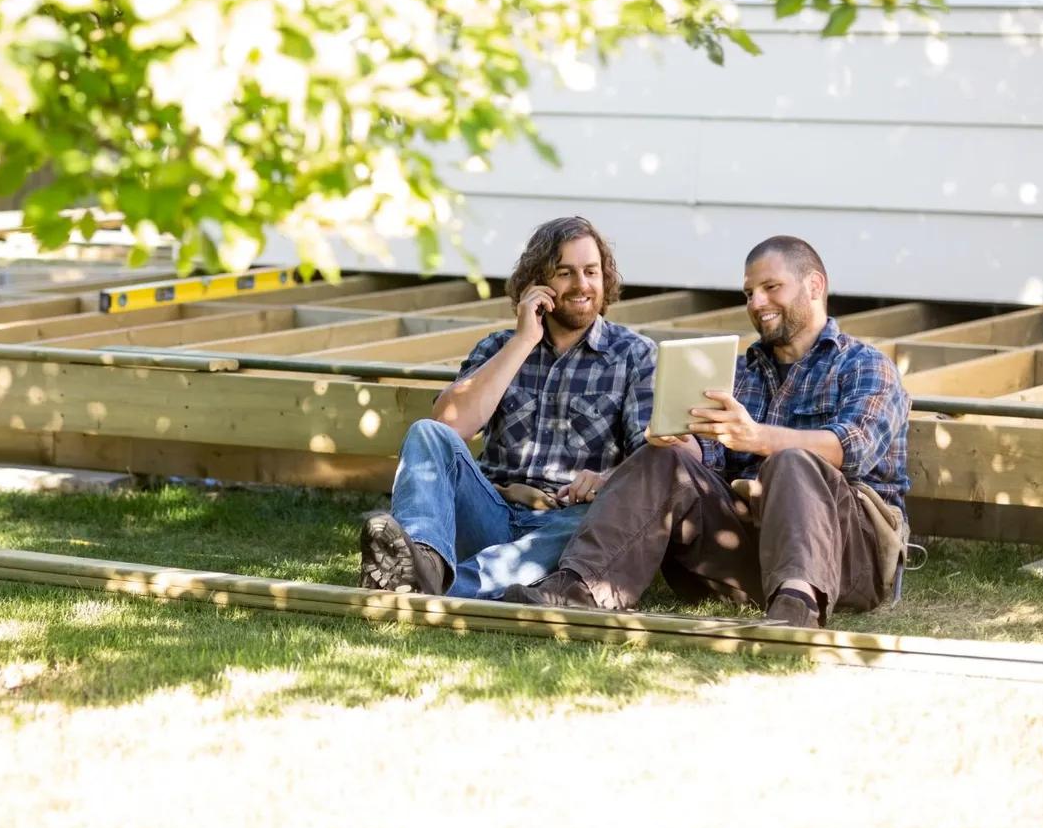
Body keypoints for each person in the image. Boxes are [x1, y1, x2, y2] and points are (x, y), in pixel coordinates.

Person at [504, 235, 911, 628]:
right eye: (749, 293)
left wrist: (759, 438)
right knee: (663, 456)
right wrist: (676, 441)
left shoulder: (864, 365)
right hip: (753, 551)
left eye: (771, 287)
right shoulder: (738, 372)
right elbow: (707, 456)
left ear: (814, 285)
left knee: (790, 461)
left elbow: (852, 447)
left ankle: (797, 606)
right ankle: (580, 589)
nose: (757, 303)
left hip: (846, 556)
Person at [357, 216, 655, 599]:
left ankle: (429, 583)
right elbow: (450, 424)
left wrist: (605, 479)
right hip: (490, 511)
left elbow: (652, 459)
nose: (582, 284)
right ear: (538, 282)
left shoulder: (635, 355)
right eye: (565, 273)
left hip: (565, 522)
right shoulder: (498, 347)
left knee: (599, 521)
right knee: (426, 433)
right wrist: (523, 342)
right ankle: (425, 558)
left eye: (591, 271)